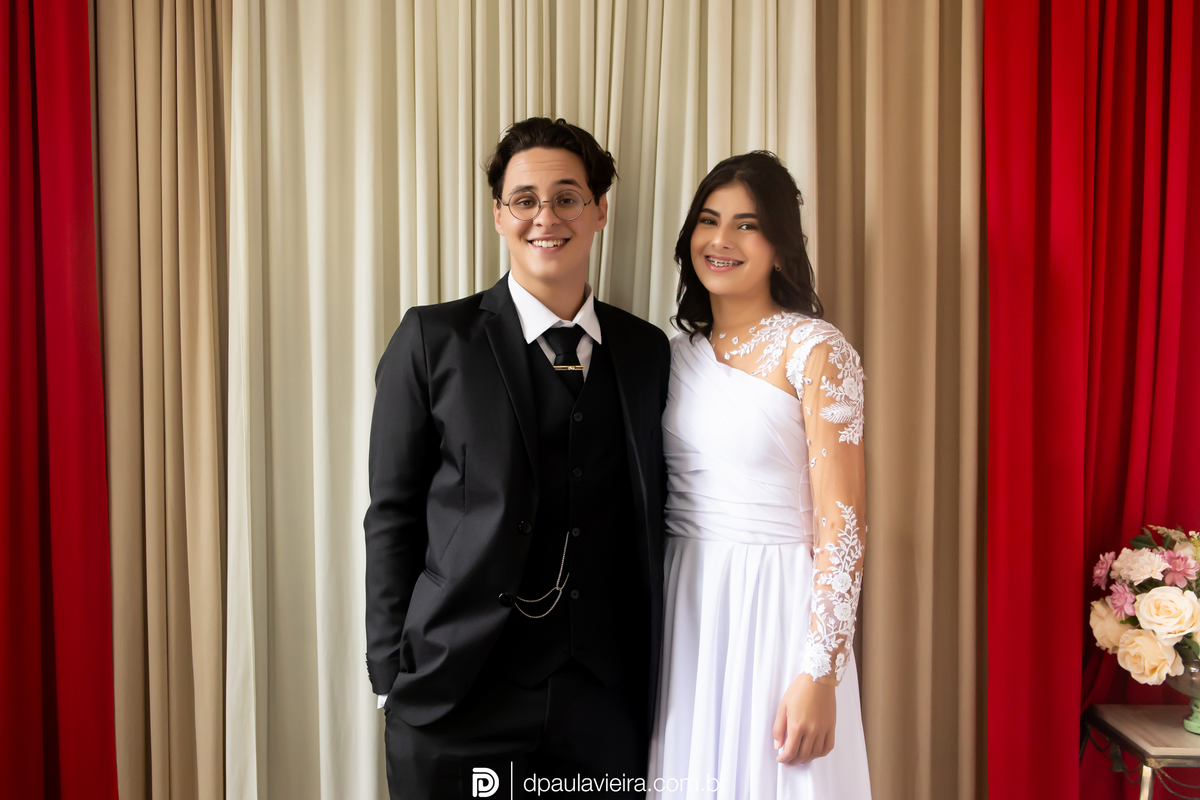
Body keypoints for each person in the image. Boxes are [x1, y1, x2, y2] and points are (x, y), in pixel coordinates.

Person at [364, 117, 670, 799]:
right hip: (457, 696)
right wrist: (389, 676)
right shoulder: (433, 340)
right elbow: (391, 514)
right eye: (524, 200)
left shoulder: (646, 351)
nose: (546, 217)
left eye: (567, 198)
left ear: (600, 211)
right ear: (499, 215)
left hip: (602, 703)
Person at [648, 151, 872, 798]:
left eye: (746, 225)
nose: (721, 240)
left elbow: (844, 522)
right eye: (709, 220)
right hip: (685, 603)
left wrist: (821, 671)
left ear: (780, 247)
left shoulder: (817, 350)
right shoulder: (670, 357)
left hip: (776, 604)